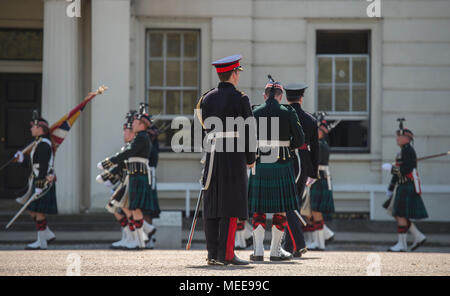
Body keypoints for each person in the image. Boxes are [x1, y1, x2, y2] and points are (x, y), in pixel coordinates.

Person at [196, 54, 256, 265]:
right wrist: (251, 157)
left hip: (212, 154)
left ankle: (213, 254)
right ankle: (227, 254)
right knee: (230, 203)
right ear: (233, 73)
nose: (238, 75)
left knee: (212, 204)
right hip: (233, 154)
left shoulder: (206, 98)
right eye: (238, 72)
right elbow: (249, 131)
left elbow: (202, 128)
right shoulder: (241, 98)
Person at [248, 81, 305, 261]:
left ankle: (257, 251)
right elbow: (299, 139)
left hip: (260, 163)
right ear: (281, 96)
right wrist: (287, 146)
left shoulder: (255, 112)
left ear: (265, 95)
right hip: (282, 163)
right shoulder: (288, 112)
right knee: (280, 209)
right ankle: (275, 251)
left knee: (259, 209)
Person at [98, 108, 154, 249]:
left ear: (141, 124)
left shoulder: (141, 138)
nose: (132, 124)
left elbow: (128, 153)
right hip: (134, 176)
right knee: (131, 208)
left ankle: (140, 240)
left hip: (137, 176)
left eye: (135, 122)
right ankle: (140, 238)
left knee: (134, 208)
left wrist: (108, 162)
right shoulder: (139, 137)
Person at [282, 83, 319, 257]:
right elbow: (315, 148)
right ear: (301, 98)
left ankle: (291, 245)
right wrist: (314, 171)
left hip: (285, 159)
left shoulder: (282, 116)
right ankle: (291, 245)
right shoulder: (310, 119)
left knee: (289, 204)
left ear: (287, 98)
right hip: (303, 162)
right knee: (294, 203)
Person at [14, 111, 57, 250]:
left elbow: (43, 165)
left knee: (38, 211)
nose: (31, 129)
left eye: (33, 126)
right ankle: (47, 234)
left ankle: (41, 242)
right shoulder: (38, 143)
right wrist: (22, 159)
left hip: (42, 181)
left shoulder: (44, 144)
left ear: (40, 129)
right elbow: (34, 165)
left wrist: (39, 184)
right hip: (36, 179)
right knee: (31, 208)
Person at [383, 121, 428, 252]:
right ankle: (418, 236)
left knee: (400, 214)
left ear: (407, 138)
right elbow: (399, 171)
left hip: (407, 185)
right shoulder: (403, 152)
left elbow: (406, 169)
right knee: (397, 213)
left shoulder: (408, 151)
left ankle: (402, 244)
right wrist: (390, 188)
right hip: (401, 186)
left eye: (399, 136)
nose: (397, 138)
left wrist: (392, 169)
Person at [306, 118, 335, 250]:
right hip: (318, 179)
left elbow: (315, 163)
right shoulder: (320, 144)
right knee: (315, 212)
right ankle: (320, 241)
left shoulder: (321, 146)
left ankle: (320, 243)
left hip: (319, 179)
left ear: (322, 132)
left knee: (317, 212)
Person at [143, 111, 161, 249]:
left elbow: (152, 158)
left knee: (148, 209)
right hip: (142, 174)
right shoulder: (143, 137)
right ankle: (143, 236)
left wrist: (152, 138)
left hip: (149, 175)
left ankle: (149, 237)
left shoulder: (152, 142)